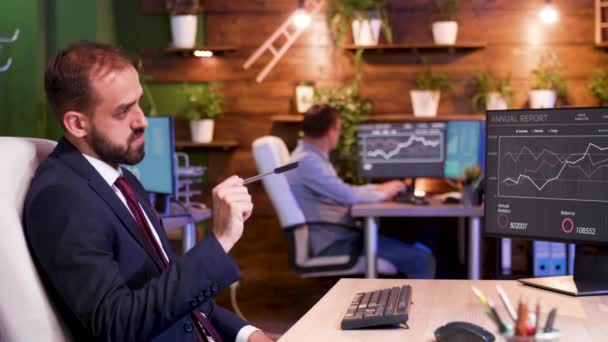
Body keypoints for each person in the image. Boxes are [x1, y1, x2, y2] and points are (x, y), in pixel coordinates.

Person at [23, 42, 273, 342]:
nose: (142, 121)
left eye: (139, 103)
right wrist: (219, 241)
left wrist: (247, 334)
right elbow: (118, 325)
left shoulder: (122, 180)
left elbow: (172, 288)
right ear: (77, 124)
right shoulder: (61, 198)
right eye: (123, 111)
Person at [285, 104, 436, 278]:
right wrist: (384, 192)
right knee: (422, 260)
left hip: (339, 237)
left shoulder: (308, 157)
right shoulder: (307, 162)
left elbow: (342, 190)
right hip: (335, 244)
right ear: (331, 132)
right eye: (339, 130)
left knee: (417, 238)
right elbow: (349, 196)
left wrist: (379, 188)